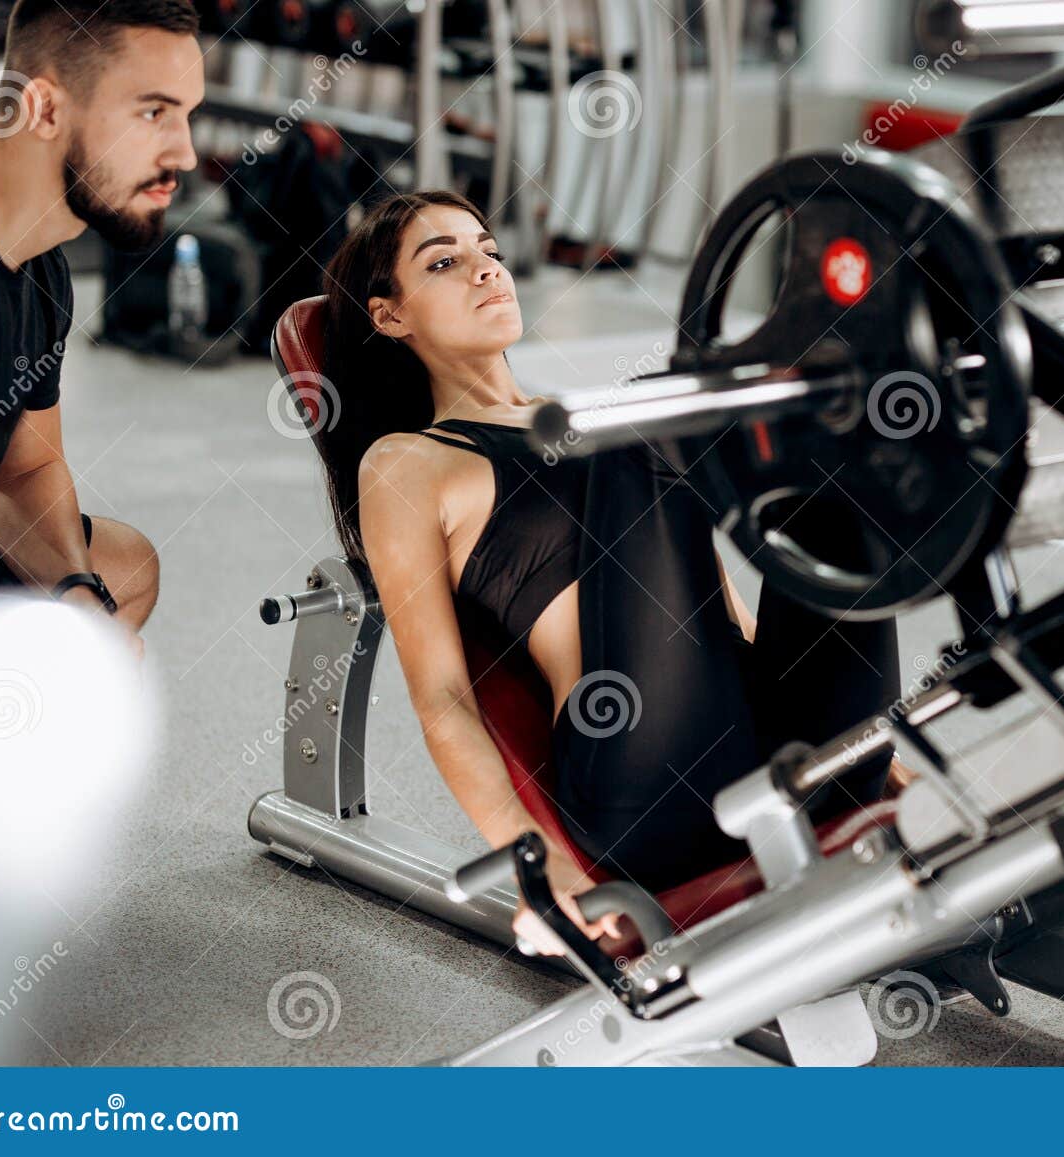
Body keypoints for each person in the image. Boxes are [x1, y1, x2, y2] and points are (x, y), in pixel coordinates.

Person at [315, 191, 907, 954]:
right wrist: (547, 870)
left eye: (490, 251)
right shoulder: (407, 462)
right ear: (390, 316)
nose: (487, 271)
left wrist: (867, 747)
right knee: (645, 416)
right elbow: (443, 700)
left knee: (828, 483)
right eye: (445, 263)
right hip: (653, 784)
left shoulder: (581, 416)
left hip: (785, 756)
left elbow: (719, 608)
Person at [0, 0, 204, 636]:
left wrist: (76, 592)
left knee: (122, 570)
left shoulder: (42, 271)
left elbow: (25, 472)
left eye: (187, 116)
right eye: (154, 113)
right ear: (44, 108)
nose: (186, 154)